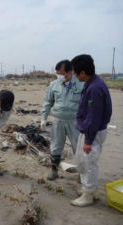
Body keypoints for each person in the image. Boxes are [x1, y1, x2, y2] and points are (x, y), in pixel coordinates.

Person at [70, 54, 112, 207]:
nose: (74, 75)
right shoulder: (92, 83)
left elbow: (94, 117)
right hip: (89, 131)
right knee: (82, 161)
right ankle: (88, 190)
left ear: (82, 73)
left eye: (75, 72)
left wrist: (88, 140)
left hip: (92, 132)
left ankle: (88, 196)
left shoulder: (95, 88)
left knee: (89, 163)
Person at [41, 60, 84, 180]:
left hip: (75, 122)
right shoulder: (54, 84)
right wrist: (43, 118)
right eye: (57, 74)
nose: (59, 76)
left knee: (79, 147)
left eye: (62, 74)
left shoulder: (81, 84)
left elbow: (88, 104)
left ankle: (82, 175)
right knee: (55, 146)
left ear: (70, 72)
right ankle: (54, 171)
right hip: (58, 120)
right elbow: (48, 102)